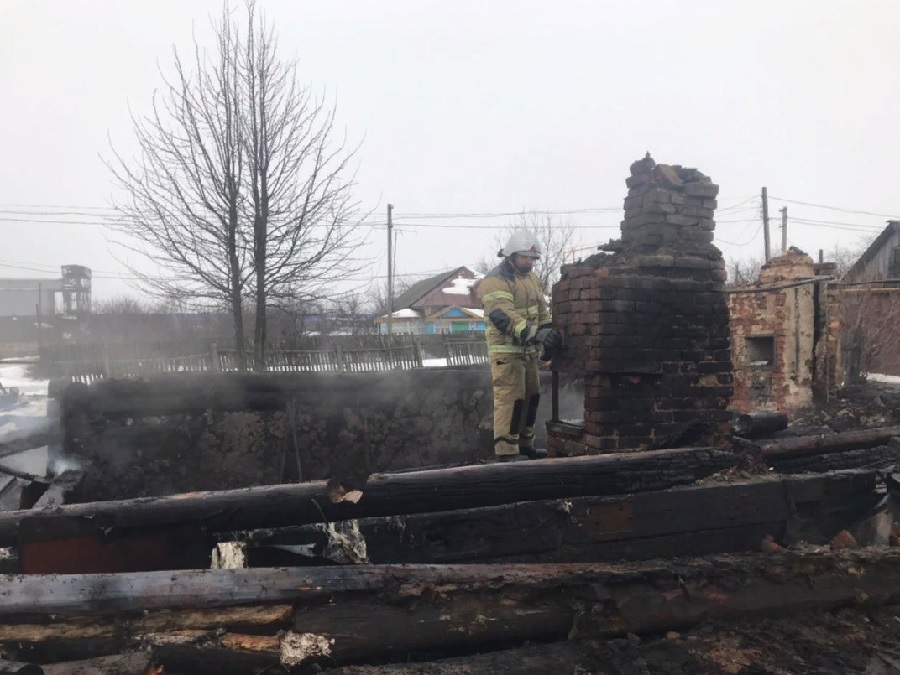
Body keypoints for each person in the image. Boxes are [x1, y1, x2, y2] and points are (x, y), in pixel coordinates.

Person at [479, 230, 561, 461]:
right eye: (525, 257)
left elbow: (541, 312)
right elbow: (503, 316)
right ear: (511, 255)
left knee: (531, 397)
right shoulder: (495, 280)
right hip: (506, 353)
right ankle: (506, 451)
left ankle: (525, 446)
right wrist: (536, 334)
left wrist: (549, 334)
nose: (529, 262)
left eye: (533, 259)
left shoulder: (532, 280)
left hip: (528, 351)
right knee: (511, 399)